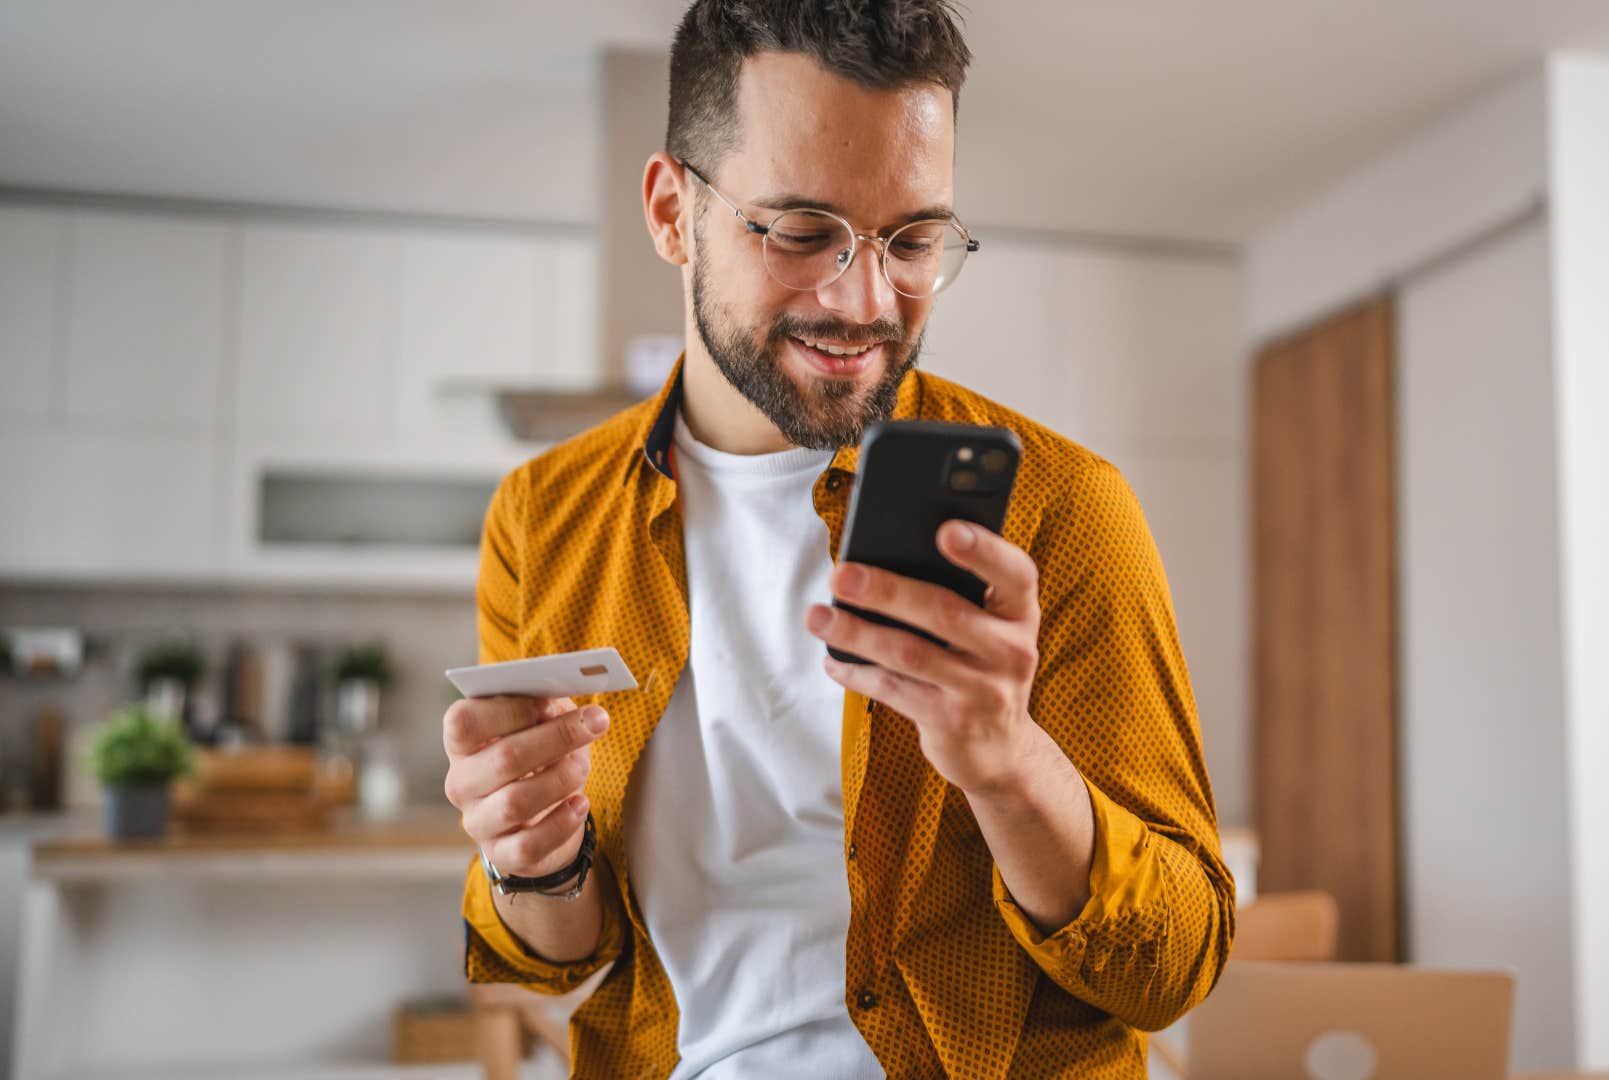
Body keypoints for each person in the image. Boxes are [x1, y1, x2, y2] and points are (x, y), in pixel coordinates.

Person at [441, 1, 1234, 1075]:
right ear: (674, 212)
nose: (865, 299)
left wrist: (1010, 771)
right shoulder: (544, 516)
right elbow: (568, 955)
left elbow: (1175, 968)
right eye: (802, 232)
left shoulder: (1064, 510)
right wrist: (531, 859)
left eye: (912, 239)